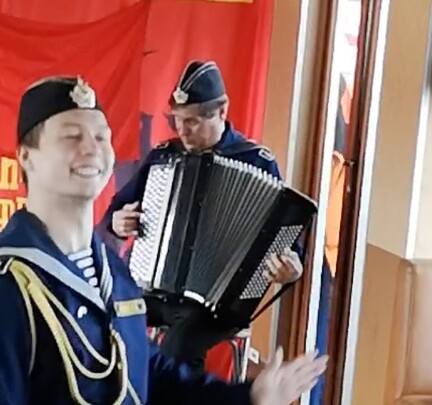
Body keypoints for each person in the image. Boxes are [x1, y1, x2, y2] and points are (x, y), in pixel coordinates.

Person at [0, 75, 327, 404]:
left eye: (102, 136)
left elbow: (150, 374)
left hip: (208, 308)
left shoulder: (116, 275)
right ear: (27, 157)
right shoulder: (9, 284)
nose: (92, 149)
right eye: (71, 136)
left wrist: (250, 397)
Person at [101, 60, 305, 374]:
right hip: (154, 288)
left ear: (222, 111)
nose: (182, 130)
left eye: (193, 121)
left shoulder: (256, 161)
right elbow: (116, 211)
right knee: (102, 317)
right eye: (177, 120)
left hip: (217, 303)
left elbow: (288, 247)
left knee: (179, 349)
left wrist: (289, 269)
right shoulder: (164, 157)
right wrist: (118, 221)